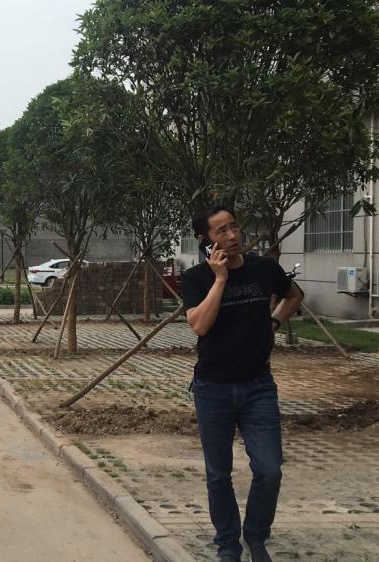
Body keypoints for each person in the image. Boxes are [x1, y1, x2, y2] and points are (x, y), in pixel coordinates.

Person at [181, 206, 303, 562]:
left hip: (258, 387)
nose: (233, 235)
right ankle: (228, 545)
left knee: (269, 470)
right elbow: (199, 325)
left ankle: (256, 536)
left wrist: (274, 323)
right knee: (219, 474)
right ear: (205, 240)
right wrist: (220, 279)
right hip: (212, 389)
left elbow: (294, 295)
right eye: (221, 231)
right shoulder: (196, 279)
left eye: (234, 226)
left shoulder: (264, 269)